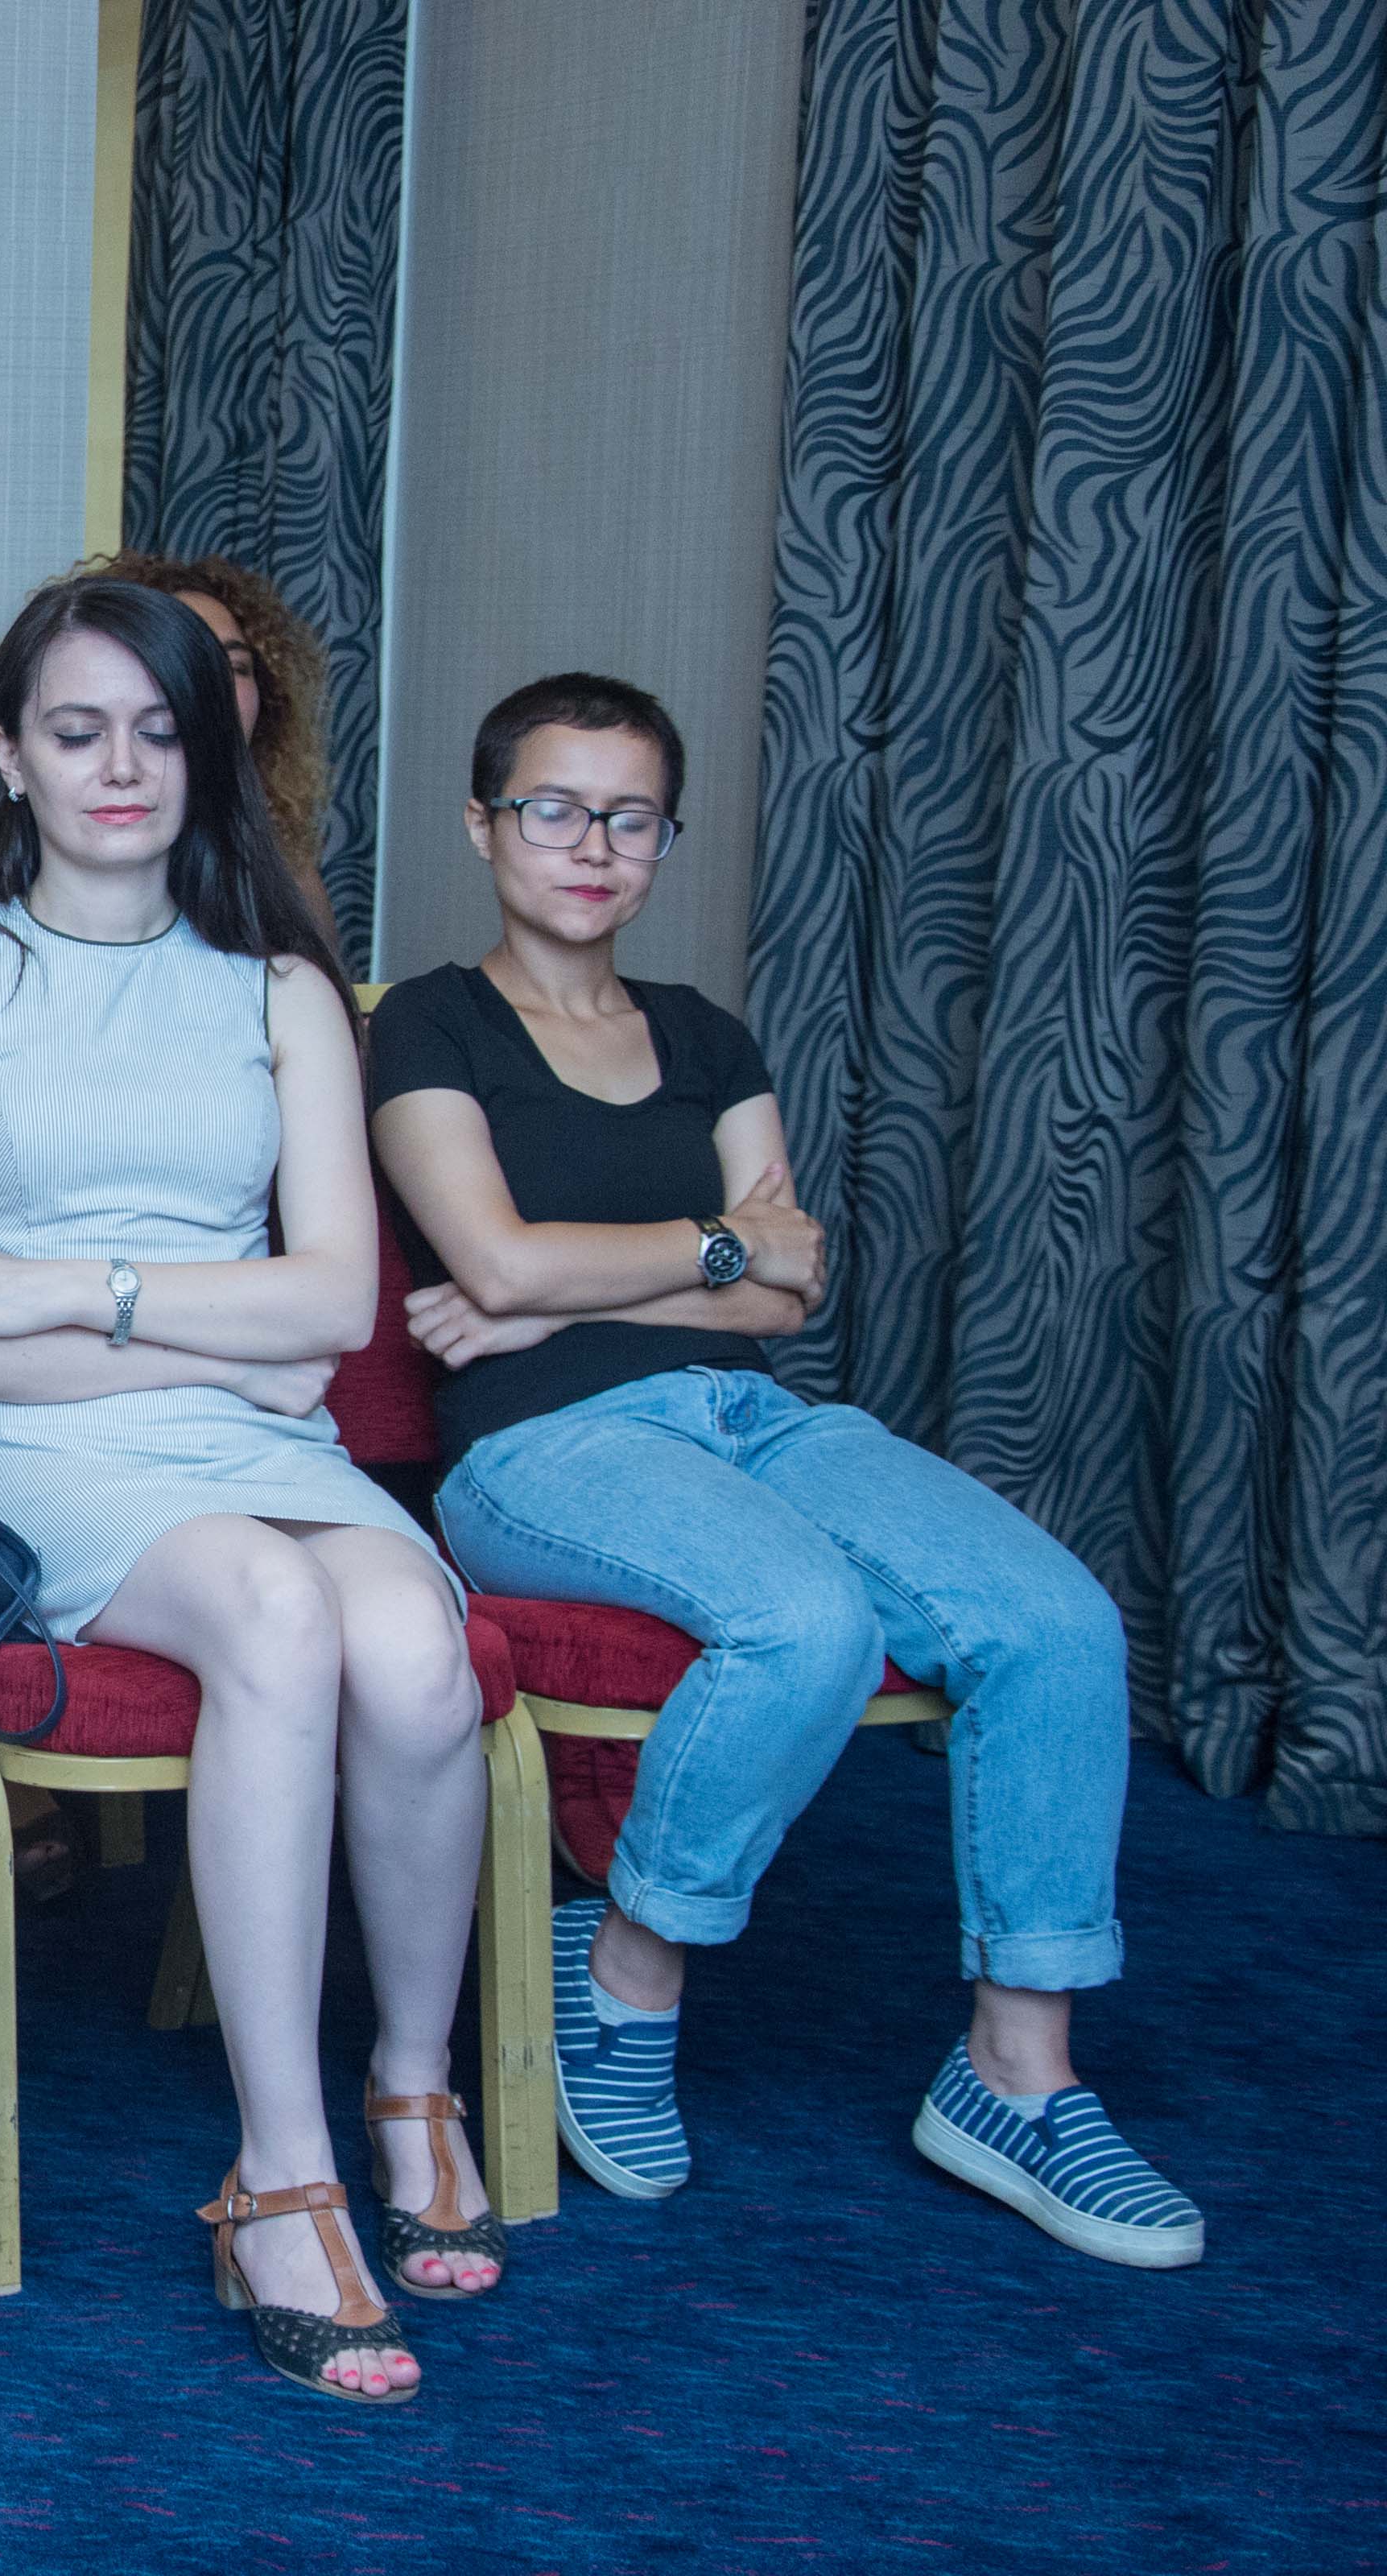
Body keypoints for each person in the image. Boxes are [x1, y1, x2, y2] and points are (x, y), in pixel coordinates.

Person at [369, 671, 1199, 2268]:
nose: (592, 845)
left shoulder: (707, 1033)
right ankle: (624, 1976)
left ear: (663, 840)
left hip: (758, 1421)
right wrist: (693, 1247)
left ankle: (1017, 2075)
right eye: (554, 808)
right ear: (483, 825)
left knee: (1058, 1622)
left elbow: (785, 1292)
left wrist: (574, 1278)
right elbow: (497, 1255)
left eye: (631, 818)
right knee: (803, 1621)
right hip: (542, 1446)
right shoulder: (432, 1021)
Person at [0, 573, 495, 2406]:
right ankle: (278, 2171)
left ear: (208, 750)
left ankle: (410, 2079)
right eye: (76, 732)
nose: (120, 766)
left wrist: (64, 1285)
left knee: (416, 1650)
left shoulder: (286, 993)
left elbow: (333, 1315)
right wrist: (213, 1335)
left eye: (157, 729)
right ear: (11, 757)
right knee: (279, 1612)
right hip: (31, 1453)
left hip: (249, 1437)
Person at [80, 549, 332, 935]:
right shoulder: (88, 838)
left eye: (236, 668)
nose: (218, 687)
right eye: (190, 664)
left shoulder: (282, 865)